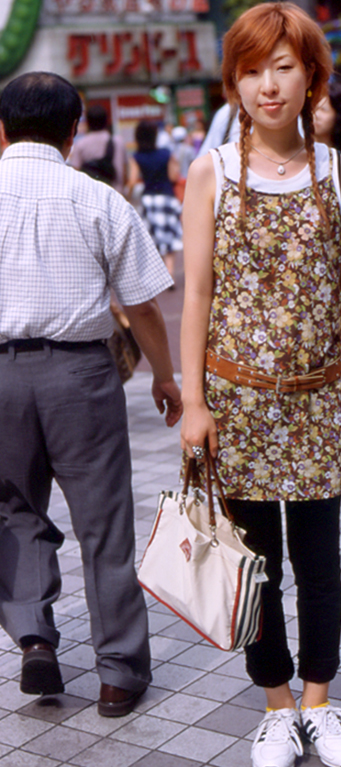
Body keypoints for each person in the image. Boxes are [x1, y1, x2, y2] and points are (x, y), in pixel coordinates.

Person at [180, 3, 341, 767]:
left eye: (286, 67)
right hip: (235, 405)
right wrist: (194, 402)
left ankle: (320, 700)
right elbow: (196, 292)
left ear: (311, 77)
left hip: (316, 398)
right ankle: (274, 707)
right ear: (233, 82)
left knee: (321, 561)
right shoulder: (212, 172)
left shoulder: (340, 172)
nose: (270, 85)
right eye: (253, 69)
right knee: (255, 563)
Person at [0, 72, 183, 716]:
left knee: (13, 511)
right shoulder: (98, 199)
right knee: (103, 524)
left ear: (1, 128)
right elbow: (145, 305)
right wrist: (165, 375)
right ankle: (118, 674)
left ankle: (34, 641)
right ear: (74, 130)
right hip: (82, 374)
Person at [127, 119, 183, 286]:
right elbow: (174, 176)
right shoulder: (166, 153)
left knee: (153, 238)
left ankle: (160, 275)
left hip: (149, 199)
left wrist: (128, 196)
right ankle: (171, 272)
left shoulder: (136, 157)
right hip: (167, 197)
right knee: (169, 237)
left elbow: (132, 180)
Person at [69, 103, 128, 193]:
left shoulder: (81, 144)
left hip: (91, 198)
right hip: (116, 195)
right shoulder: (118, 142)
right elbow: (124, 174)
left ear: (88, 122)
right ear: (106, 121)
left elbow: (75, 173)